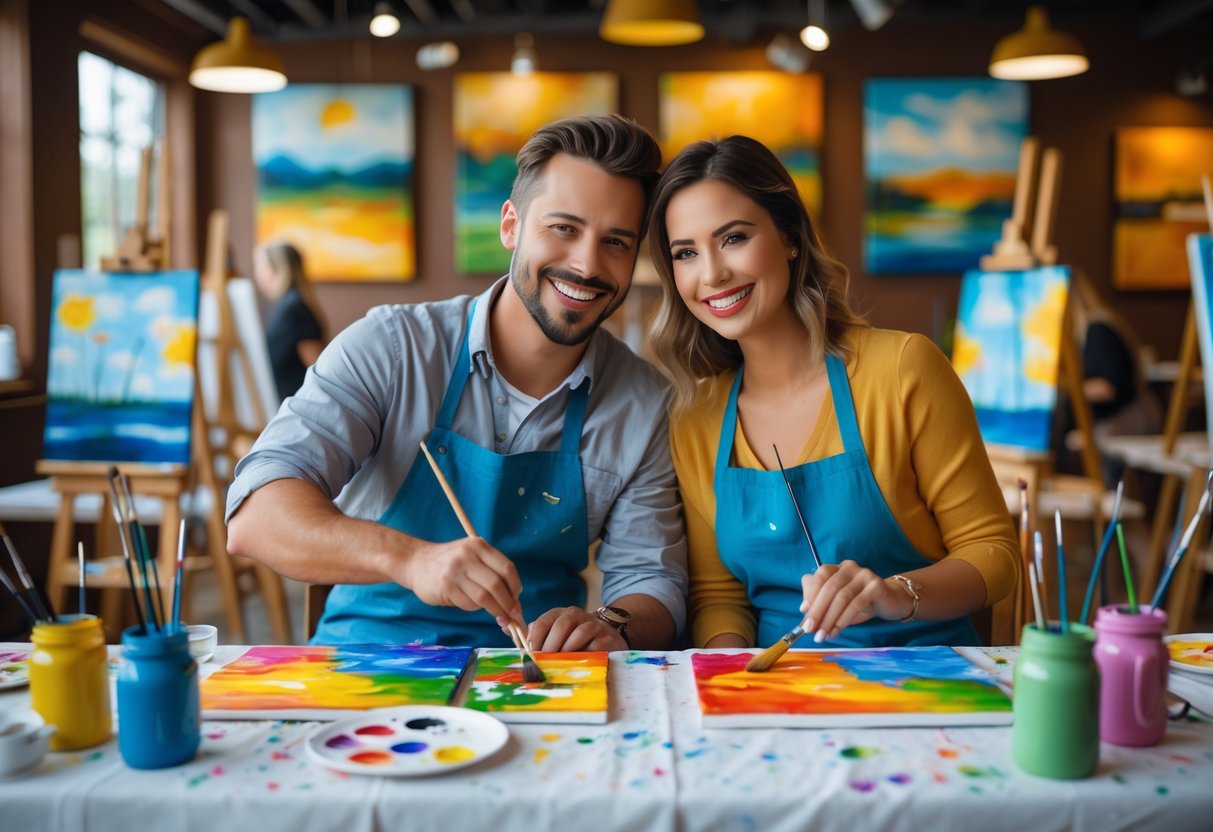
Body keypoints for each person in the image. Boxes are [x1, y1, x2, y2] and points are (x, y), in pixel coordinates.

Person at [226, 114, 687, 650]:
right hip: (366, 663)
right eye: (563, 228)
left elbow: (651, 578)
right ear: (511, 225)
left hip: (532, 677)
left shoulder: (644, 402)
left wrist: (613, 624)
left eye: (616, 242)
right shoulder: (392, 348)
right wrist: (408, 558)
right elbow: (256, 515)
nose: (586, 264)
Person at [646, 135, 1019, 649]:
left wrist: (891, 593)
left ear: (790, 236)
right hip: (779, 694)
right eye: (686, 253)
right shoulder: (695, 416)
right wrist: (732, 678)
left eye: (733, 238)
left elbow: (994, 555)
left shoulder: (902, 369)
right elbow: (719, 594)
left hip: (925, 687)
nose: (711, 273)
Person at [1055, 269, 1162, 486]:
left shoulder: (1098, 330)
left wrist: (1067, 388)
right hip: (1119, 416)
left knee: (1075, 444)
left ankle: (1105, 504)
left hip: (1128, 417)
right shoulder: (1091, 330)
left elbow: (1108, 387)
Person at [251, 241, 328, 402]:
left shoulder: (295, 308)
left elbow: (318, 370)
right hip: (286, 403)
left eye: (260, 266)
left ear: (276, 269)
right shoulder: (287, 304)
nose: (256, 274)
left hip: (297, 406)